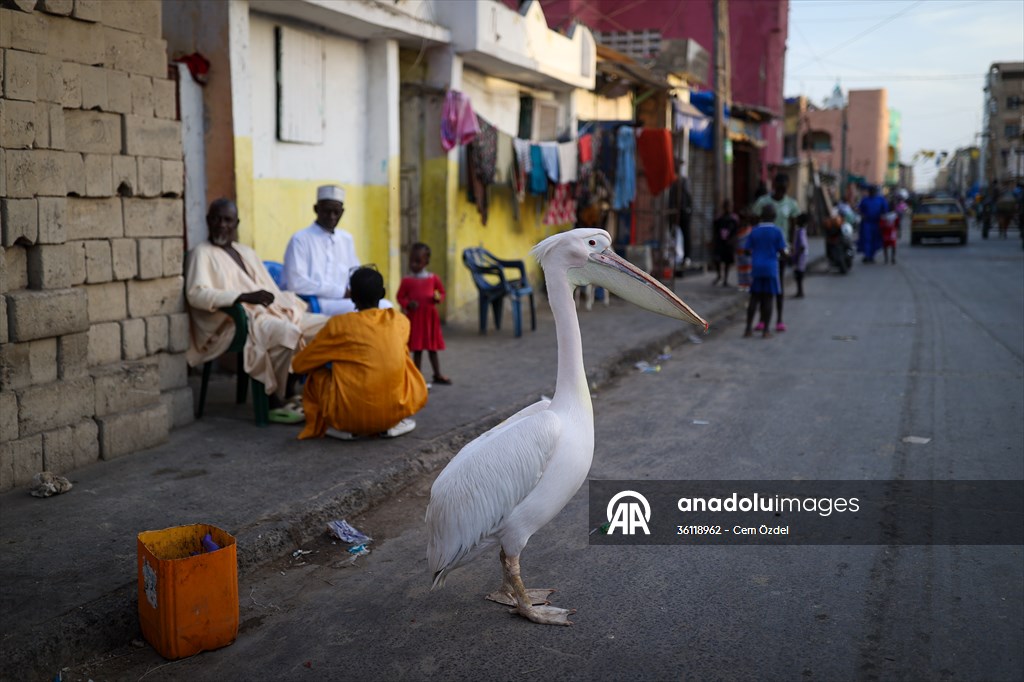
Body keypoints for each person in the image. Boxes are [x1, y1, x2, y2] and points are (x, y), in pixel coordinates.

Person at [185, 198, 327, 421]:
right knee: (286, 333)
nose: (222, 224)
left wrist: (287, 306)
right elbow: (196, 294)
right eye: (216, 219)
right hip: (235, 322)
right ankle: (274, 399)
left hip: (271, 313)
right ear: (207, 221)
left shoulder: (246, 252)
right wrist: (241, 297)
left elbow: (270, 290)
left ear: (236, 223)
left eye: (227, 220)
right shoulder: (200, 253)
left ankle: (289, 386)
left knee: (325, 327)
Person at [292, 267, 428, 440]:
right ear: (383, 294)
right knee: (400, 360)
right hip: (395, 412)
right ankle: (391, 422)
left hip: (347, 420)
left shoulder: (339, 325)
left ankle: (340, 424)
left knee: (316, 373)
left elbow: (299, 365)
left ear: (352, 296)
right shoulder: (400, 321)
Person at [283, 185, 393, 316]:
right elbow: (295, 283)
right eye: (327, 211)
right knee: (372, 312)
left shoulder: (346, 238)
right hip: (316, 302)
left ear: (342, 212)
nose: (331, 216)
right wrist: (341, 292)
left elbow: (355, 273)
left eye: (336, 212)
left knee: (385, 306)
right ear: (316, 209)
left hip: (346, 300)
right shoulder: (300, 239)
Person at [397, 243, 451, 386]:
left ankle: (437, 374)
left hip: (429, 319)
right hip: (415, 319)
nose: (413, 265)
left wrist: (438, 297)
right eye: (411, 261)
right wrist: (408, 304)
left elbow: (441, 292)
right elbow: (400, 297)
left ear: (426, 262)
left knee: (432, 348)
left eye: (418, 261)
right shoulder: (407, 280)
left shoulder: (433, 279)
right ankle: (417, 377)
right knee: (418, 349)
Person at [751, 173, 798, 332]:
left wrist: (791, 247)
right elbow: (754, 221)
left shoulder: (791, 204)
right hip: (763, 250)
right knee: (760, 288)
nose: (781, 191)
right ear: (774, 186)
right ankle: (762, 320)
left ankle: (778, 319)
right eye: (779, 188)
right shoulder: (763, 202)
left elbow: (793, 227)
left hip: (780, 251)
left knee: (778, 287)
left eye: (784, 189)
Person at [742, 205, 787, 339]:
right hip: (771, 268)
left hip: (756, 267)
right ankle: (766, 330)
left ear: (761, 216)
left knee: (754, 298)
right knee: (768, 299)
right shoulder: (777, 232)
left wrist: (756, 254)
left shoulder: (754, 231)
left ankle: (748, 329)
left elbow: (746, 250)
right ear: (774, 217)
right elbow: (782, 251)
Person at [857, 184, 888, 262]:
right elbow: (859, 209)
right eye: (871, 190)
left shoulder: (881, 200)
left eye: (873, 190)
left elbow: (885, 211)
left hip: (877, 223)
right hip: (867, 223)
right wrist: (862, 215)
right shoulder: (865, 200)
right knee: (867, 239)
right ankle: (867, 255)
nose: (872, 192)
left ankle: (871, 255)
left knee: (875, 239)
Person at [711, 200, 738, 287]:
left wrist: (733, 240)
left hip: (729, 243)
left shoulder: (734, 219)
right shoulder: (719, 219)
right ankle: (719, 275)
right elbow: (715, 230)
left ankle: (725, 279)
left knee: (727, 261)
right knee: (717, 259)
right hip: (720, 242)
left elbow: (736, 231)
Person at [791, 212, 810, 297]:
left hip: (800, 255)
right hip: (801, 254)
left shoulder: (800, 231)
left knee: (798, 274)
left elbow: (802, 244)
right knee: (799, 274)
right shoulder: (801, 230)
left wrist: (797, 255)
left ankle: (800, 291)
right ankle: (800, 291)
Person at [734, 212, 754, 293]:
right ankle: (742, 285)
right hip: (740, 253)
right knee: (741, 270)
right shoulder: (739, 230)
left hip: (747, 253)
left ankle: (748, 285)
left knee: (748, 270)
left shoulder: (751, 230)